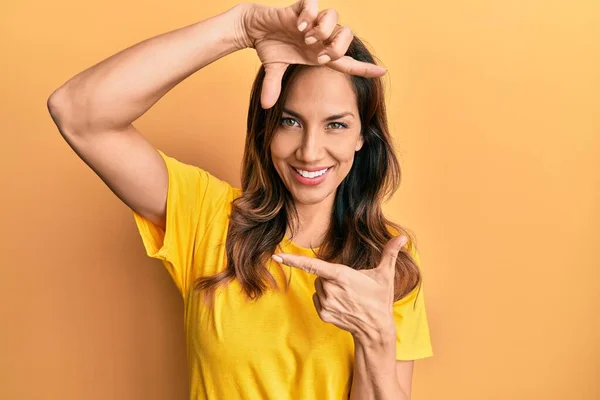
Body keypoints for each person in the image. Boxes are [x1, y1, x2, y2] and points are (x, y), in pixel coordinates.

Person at [47, 1, 433, 398]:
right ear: (266, 128)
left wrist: (377, 338)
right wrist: (239, 27)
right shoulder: (208, 217)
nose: (310, 151)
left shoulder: (386, 260)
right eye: (290, 121)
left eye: (336, 125)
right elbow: (77, 112)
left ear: (361, 138)